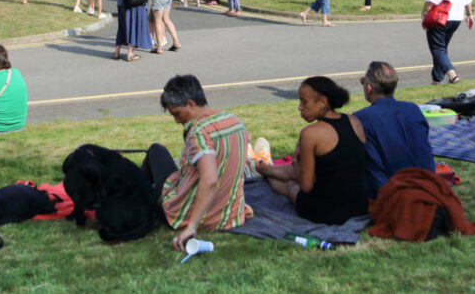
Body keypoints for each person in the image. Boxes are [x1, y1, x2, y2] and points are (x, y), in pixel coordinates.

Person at [142, 74, 250, 251]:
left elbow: (210, 179)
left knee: (156, 151)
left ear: (191, 104)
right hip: (230, 215)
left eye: (177, 114)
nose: (177, 121)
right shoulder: (234, 121)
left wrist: (192, 226)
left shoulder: (199, 132)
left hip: (196, 216)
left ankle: (131, 199)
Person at [256, 77, 368, 225]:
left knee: (290, 186)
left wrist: (297, 158)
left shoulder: (310, 134)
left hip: (327, 213)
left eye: (304, 102)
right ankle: (265, 168)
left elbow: (305, 185)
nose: (300, 107)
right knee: (291, 175)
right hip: (359, 206)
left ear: (322, 102)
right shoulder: (354, 121)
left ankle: (262, 170)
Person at [354, 61, 436, 198]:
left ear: (369, 88)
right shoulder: (412, 109)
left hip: (390, 196)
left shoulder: (360, 118)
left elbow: (369, 166)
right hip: (428, 188)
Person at [422, 0, 474, 84]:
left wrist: (425, 12)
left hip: (441, 17)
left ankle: (452, 75)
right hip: (456, 17)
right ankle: (437, 78)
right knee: (442, 48)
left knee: (437, 47)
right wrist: (469, 15)